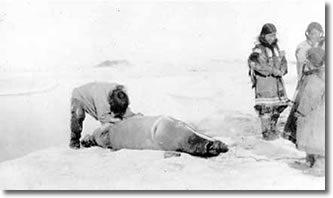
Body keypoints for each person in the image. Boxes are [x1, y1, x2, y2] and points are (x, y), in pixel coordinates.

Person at [80, 88, 229, 157]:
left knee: (184, 139)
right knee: (186, 137)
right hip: (160, 126)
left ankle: (209, 145)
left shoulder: (106, 135)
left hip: (158, 130)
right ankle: (209, 145)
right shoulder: (112, 129)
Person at [283, 47, 325, 176]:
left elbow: (310, 97)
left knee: (316, 140)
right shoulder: (313, 74)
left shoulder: (317, 78)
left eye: (309, 58)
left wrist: (302, 111)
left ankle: (321, 164)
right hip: (313, 114)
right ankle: (310, 160)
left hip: (315, 115)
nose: (306, 61)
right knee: (310, 139)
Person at [247, 23, 289, 140]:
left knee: (278, 107)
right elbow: (257, 65)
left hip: (277, 85)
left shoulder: (276, 49)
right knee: (266, 109)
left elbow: (282, 62)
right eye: (269, 36)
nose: (272, 38)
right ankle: (266, 133)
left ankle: (273, 129)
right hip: (264, 85)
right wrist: (272, 70)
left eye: (274, 36)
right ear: (263, 36)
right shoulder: (258, 50)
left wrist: (282, 69)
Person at [70, 82, 134, 149]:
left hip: (95, 93)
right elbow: (103, 118)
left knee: (116, 121)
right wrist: (118, 122)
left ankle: (92, 140)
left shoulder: (121, 95)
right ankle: (74, 143)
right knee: (78, 115)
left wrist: (134, 117)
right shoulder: (101, 98)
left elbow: (126, 111)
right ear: (111, 102)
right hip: (79, 96)